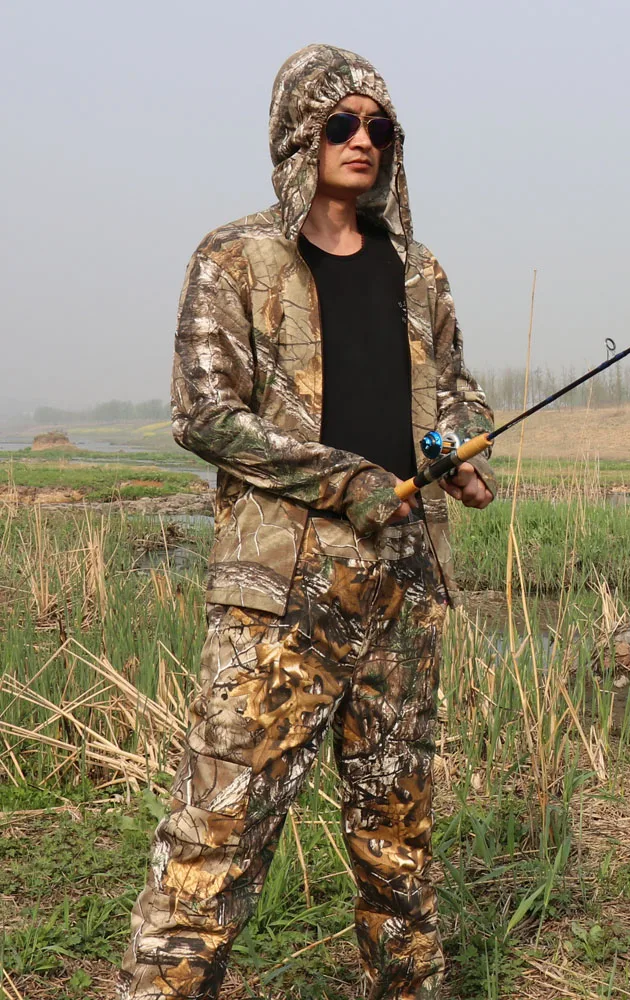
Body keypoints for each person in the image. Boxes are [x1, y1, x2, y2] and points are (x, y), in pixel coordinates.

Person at [118, 43, 496, 1000]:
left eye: (381, 127)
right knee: (215, 842)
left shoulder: (419, 271)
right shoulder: (235, 256)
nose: (363, 140)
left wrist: (463, 447)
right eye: (342, 124)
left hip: (405, 597)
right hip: (280, 605)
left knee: (399, 849)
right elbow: (203, 414)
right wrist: (347, 481)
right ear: (299, 133)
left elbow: (461, 393)